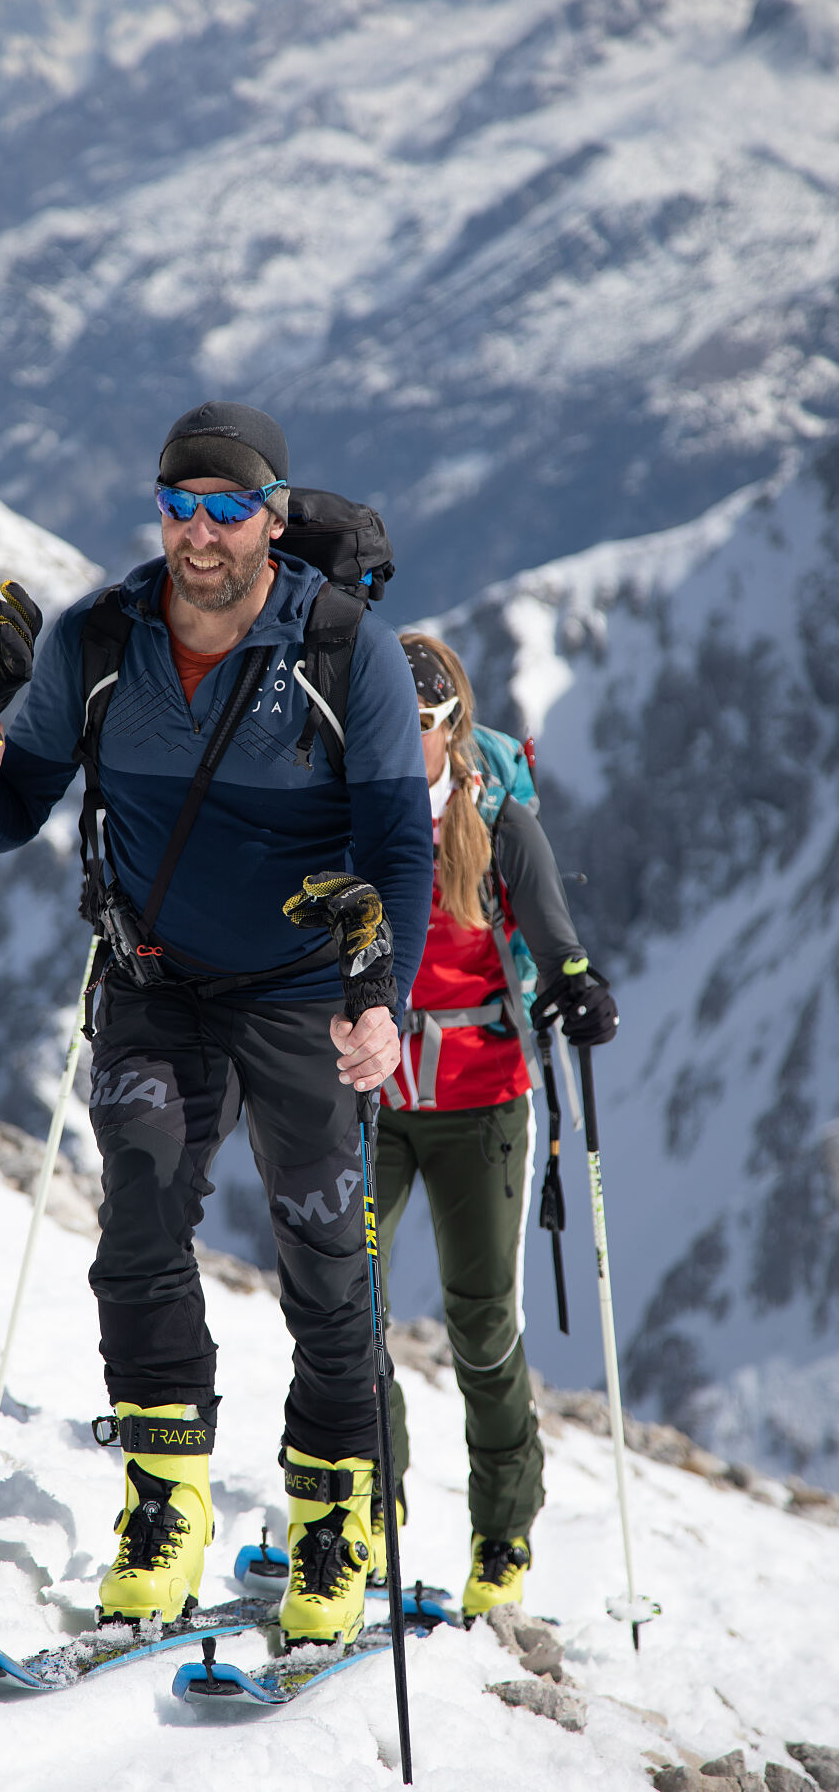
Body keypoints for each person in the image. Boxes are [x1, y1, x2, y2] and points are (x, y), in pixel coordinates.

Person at [0, 401, 432, 1649]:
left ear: (271, 516)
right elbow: (15, 814)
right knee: (139, 1220)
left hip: (307, 987)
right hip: (154, 979)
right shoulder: (102, 637)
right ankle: (168, 1502)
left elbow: (400, 848)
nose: (198, 532)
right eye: (178, 505)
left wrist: (381, 999)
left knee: (323, 1252)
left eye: (225, 508)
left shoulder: (341, 648)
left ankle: (333, 1515)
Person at [373, 633, 618, 1621]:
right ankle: (358, 1509)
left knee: (480, 1323)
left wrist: (575, 988)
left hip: (479, 1099)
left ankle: (503, 1531)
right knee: (344, 1311)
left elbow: (557, 941)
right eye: (389, 719)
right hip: (374, 1096)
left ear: (453, 724)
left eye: (423, 722)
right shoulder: (348, 809)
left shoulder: (495, 819)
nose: (407, 738)